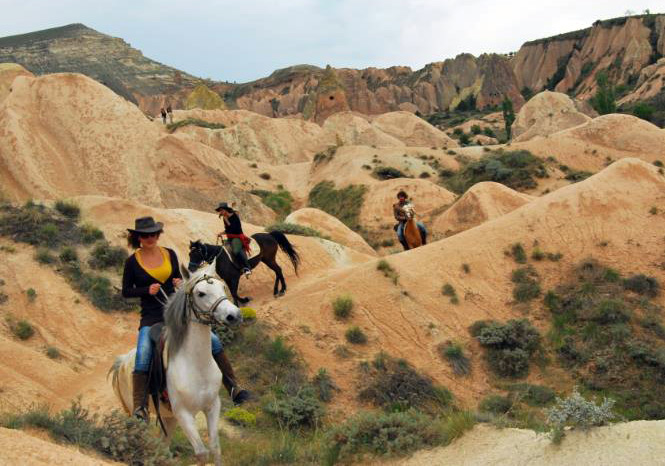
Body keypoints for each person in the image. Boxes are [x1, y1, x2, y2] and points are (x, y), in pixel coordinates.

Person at [122, 216, 248, 421]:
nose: (150, 238)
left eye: (154, 234)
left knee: (214, 341)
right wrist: (146, 289)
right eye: (146, 235)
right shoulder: (131, 262)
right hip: (152, 316)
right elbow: (126, 291)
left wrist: (180, 283)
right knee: (143, 353)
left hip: (178, 311)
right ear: (138, 238)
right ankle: (140, 407)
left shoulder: (169, 254)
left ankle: (234, 388)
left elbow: (182, 281)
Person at [215, 202, 252, 278]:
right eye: (220, 211)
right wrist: (221, 233)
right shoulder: (225, 219)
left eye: (221, 210)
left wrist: (226, 220)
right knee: (223, 250)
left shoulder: (235, 216)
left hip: (237, 237)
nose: (220, 212)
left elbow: (235, 229)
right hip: (230, 237)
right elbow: (227, 229)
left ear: (225, 210)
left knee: (236, 251)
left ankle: (247, 267)